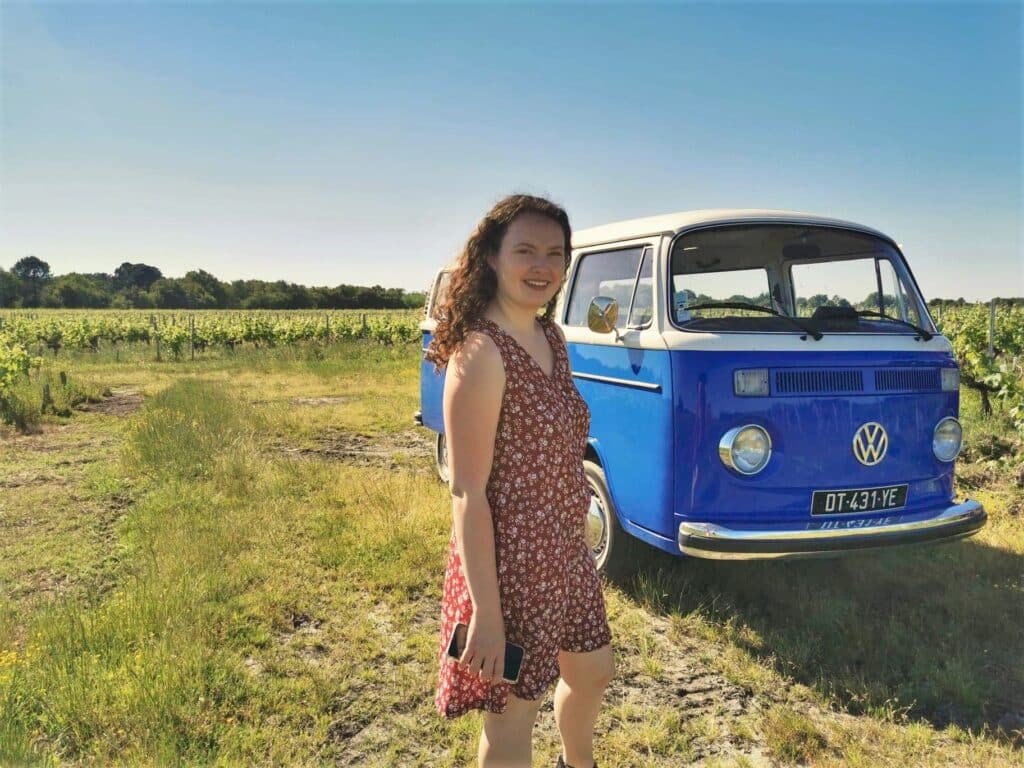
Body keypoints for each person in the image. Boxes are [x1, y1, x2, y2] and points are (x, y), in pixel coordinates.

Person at [427, 194, 614, 768]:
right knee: (512, 716)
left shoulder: (549, 335)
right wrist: (486, 610)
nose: (543, 266)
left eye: (555, 253)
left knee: (592, 671)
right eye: (526, 250)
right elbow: (467, 491)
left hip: (564, 549)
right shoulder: (481, 353)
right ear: (490, 257)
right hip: (510, 564)